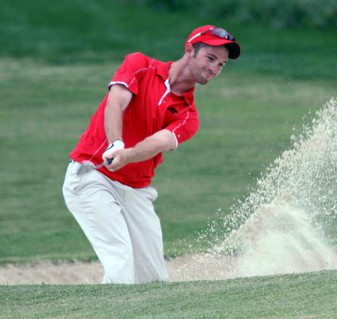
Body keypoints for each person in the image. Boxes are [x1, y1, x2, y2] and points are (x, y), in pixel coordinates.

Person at [62, 25, 241, 284]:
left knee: (153, 280)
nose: (214, 68)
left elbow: (158, 141)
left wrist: (127, 155)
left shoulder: (189, 116)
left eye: (221, 65)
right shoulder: (139, 65)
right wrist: (115, 144)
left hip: (135, 191)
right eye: (210, 58)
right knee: (120, 261)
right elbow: (115, 102)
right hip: (92, 175)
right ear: (190, 50)